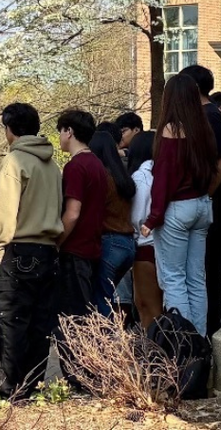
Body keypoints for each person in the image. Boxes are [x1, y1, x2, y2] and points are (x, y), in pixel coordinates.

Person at [0, 103, 62, 399]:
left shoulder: (15, 160)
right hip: (48, 250)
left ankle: (11, 388)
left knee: (11, 319)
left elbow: (6, 210)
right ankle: (33, 384)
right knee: (40, 322)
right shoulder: (53, 165)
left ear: (10, 129)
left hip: (18, 249)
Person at [139, 74, 214, 335]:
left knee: (173, 281)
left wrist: (152, 218)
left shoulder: (171, 129)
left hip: (177, 209)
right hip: (202, 205)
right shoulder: (203, 128)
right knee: (196, 280)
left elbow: (164, 179)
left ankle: (184, 349)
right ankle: (200, 343)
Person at [54, 109, 108, 387]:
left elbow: (72, 213)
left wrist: (57, 243)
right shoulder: (97, 164)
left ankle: (77, 376)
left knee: (71, 319)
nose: (59, 138)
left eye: (60, 131)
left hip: (74, 251)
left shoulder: (75, 166)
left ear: (69, 132)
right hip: (93, 250)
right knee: (86, 315)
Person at [181, 64, 221, 336]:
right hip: (211, 205)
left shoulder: (210, 116)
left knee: (210, 269)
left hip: (216, 206)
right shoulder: (203, 115)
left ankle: (212, 330)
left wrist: (205, 195)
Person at [88, 130, 137, 315]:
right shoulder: (122, 177)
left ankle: (106, 342)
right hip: (128, 243)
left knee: (101, 301)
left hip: (109, 242)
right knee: (108, 298)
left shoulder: (103, 179)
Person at [127, 131, 163, 328]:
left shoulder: (141, 177)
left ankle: (154, 353)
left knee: (147, 307)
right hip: (161, 245)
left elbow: (137, 216)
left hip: (145, 246)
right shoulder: (162, 172)